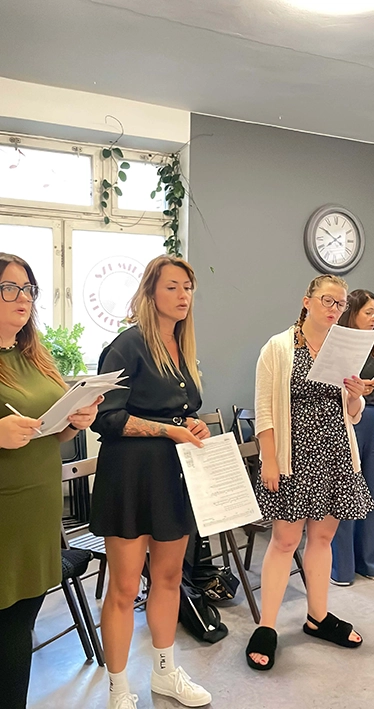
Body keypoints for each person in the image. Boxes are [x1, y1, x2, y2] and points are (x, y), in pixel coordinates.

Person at [89, 255, 212, 709]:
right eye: (172, 287)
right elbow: (106, 418)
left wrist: (193, 424)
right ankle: (118, 689)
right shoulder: (128, 345)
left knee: (169, 577)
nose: (183, 296)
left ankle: (164, 673)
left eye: (188, 287)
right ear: (150, 293)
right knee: (124, 588)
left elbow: (183, 409)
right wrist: (168, 430)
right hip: (130, 477)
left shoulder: (182, 345)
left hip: (173, 476)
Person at [245, 274, 374, 672]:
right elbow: (264, 408)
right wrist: (268, 459)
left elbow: (351, 413)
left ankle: (318, 616)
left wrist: (356, 397)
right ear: (307, 302)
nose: (334, 309)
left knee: (323, 537)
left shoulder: (344, 348)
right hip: (294, 456)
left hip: (335, 453)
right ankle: (267, 625)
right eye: (327, 301)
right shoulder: (279, 347)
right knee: (285, 540)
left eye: (340, 303)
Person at [0, 252, 101, 709]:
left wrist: (75, 421)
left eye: (28, 289)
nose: (22, 298)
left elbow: (49, 431)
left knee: (19, 628)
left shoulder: (34, 356)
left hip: (38, 513)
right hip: (4, 517)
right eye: (9, 288)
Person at [331, 289, 374, 585]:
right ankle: (342, 566)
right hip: (346, 420)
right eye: (369, 312)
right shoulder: (338, 344)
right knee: (345, 491)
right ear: (352, 313)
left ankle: (372, 561)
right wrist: (357, 390)